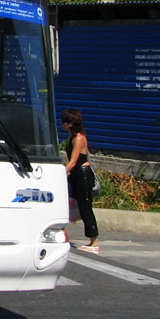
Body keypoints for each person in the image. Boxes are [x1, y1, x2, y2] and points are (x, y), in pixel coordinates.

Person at [62, 108, 99, 253]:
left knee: (85, 207)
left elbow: (73, 162)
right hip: (76, 175)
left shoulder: (79, 138)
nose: (62, 125)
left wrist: (59, 175)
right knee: (65, 200)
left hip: (83, 175)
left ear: (70, 123)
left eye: (64, 122)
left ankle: (94, 242)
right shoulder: (71, 136)